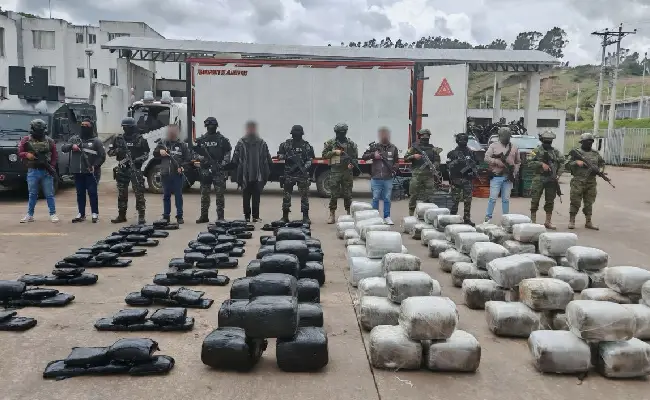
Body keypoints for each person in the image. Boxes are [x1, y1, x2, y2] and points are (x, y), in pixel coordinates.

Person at [62, 119, 105, 223]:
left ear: (91, 127)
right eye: (82, 125)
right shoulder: (75, 139)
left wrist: (95, 166)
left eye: (86, 125)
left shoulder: (96, 141)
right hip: (78, 172)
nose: (83, 127)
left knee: (92, 193)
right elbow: (63, 148)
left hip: (91, 172)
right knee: (80, 193)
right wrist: (72, 146)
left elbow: (102, 156)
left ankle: (95, 213)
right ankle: (81, 214)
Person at [108, 117, 149, 224]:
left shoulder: (140, 139)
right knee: (122, 194)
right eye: (124, 127)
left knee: (139, 194)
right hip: (122, 169)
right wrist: (118, 151)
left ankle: (141, 216)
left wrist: (137, 160)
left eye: (128, 127)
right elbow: (109, 152)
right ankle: (121, 215)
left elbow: (146, 154)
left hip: (135, 169)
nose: (126, 129)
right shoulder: (118, 139)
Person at [17, 119, 59, 223]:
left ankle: (53, 214)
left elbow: (54, 155)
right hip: (33, 170)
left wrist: (51, 167)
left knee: (49, 194)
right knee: (32, 194)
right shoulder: (26, 140)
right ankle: (30, 214)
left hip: (46, 170)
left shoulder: (49, 141)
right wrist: (26, 154)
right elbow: (20, 152)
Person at [231, 121, 273, 222]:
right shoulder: (241, 143)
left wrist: (268, 172)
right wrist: (236, 175)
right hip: (245, 175)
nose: (251, 130)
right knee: (246, 198)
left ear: (255, 129)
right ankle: (246, 216)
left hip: (258, 175)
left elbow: (267, 158)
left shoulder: (262, 143)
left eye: (252, 128)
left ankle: (255, 216)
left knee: (256, 198)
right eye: (249, 128)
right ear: (247, 129)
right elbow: (235, 159)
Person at [194, 117, 232, 223]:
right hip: (205, 170)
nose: (211, 128)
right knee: (204, 195)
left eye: (213, 126)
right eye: (209, 126)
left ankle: (220, 217)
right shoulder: (201, 140)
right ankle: (204, 216)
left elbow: (228, 152)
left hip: (218, 170)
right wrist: (202, 158)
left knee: (219, 195)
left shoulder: (222, 139)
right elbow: (194, 153)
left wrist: (223, 164)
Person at [565, 132, 605, 230]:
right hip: (578, 181)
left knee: (589, 202)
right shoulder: (576, 152)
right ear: (582, 142)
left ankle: (588, 222)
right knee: (575, 201)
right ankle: (572, 221)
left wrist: (599, 170)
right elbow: (566, 165)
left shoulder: (595, 153)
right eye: (587, 141)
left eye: (591, 141)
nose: (589, 143)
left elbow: (602, 163)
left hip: (591, 182)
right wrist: (576, 162)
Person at [153, 124, 191, 224]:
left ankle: (179, 216)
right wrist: (160, 151)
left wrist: (182, 167)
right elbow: (155, 154)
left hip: (177, 175)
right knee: (166, 196)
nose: (171, 133)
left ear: (177, 132)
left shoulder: (182, 145)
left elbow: (188, 160)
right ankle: (166, 216)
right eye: (170, 131)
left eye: (173, 131)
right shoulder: (163, 143)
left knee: (178, 196)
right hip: (165, 174)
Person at [277, 125, 315, 223]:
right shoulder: (286, 145)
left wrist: (304, 168)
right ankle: (285, 216)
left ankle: (305, 217)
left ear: (301, 134)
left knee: (304, 196)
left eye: (298, 134)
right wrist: (288, 156)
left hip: (302, 174)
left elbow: (310, 160)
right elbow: (280, 156)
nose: (296, 135)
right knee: (286, 196)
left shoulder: (306, 145)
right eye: (295, 134)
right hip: (289, 173)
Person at [528, 130, 565, 229]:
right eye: (546, 141)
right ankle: (533, 222)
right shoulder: (536, 151)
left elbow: (563, 163)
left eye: (550, 141)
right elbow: (529, 163)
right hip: (539, 178)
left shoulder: (555, 152)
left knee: (550, 201)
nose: (548, 143)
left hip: (551, 179)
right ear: (542, 140)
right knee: (535, 199)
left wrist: (558, 174)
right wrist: (541, 164)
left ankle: (548, 222)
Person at [323, 123, 358, 224]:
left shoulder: (351, 144)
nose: (341, 134)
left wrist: (352, 164)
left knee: (348, 195)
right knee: (334, 195)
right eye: (339, 132)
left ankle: (349, 214)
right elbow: (324, 155)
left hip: (347, 172)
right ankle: (332, 214)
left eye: (343, 132)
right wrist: (334, 152)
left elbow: (355, 158)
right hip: (335, 171)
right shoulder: (330, 143)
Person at [362, 127, 399, 225]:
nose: (384, 136)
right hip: (376, 177)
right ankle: (375, 217)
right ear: (380, 136)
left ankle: (387, 217)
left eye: (386, 134)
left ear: (389, 135)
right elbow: (364, 157)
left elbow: (396, 162)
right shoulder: (374, 147)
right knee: (375, 198)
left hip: (388, 178)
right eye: (382, 134)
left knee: (387, 198)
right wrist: (373, 155)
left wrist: (394, 169)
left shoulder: (393, 148)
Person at [484, 127, 521, 223]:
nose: (506, 138)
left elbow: (518, 161)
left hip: (508, 177)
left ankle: (506, 218)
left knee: (506, 200)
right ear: (500, 136)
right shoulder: (493, 146)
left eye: (508, 136)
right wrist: (496, 161)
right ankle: (488, 217)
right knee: (493, 198)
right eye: (504, 136)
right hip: (496, 176)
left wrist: (515, 170)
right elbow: (486, 158)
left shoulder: (514, 147)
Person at [404, 129, 441, 216]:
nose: (425, 138)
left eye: (427, 136)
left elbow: (437, 160)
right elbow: (405, 158)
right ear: (419, 137)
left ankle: (427, 215)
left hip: (429, 176)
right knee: (413, 195)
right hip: (416, 175)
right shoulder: (414, 148)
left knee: (429, 196)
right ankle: (411, 214)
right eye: (423, 136)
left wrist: (434, 166)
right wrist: (413, 156)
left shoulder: (433, 149)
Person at [447, 132, 479, 226]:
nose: (463, 142)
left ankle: (467, 219)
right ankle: (452, 218)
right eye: (461, 140)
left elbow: (476, 164)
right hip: (456, 179)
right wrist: (456, 161)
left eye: (465, 140)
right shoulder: (452, 153)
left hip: (467, 179)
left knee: (467, 201)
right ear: (457, 141)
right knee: (454, 201)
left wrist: (473, 169)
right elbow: (448, 166)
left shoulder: (471, 152)